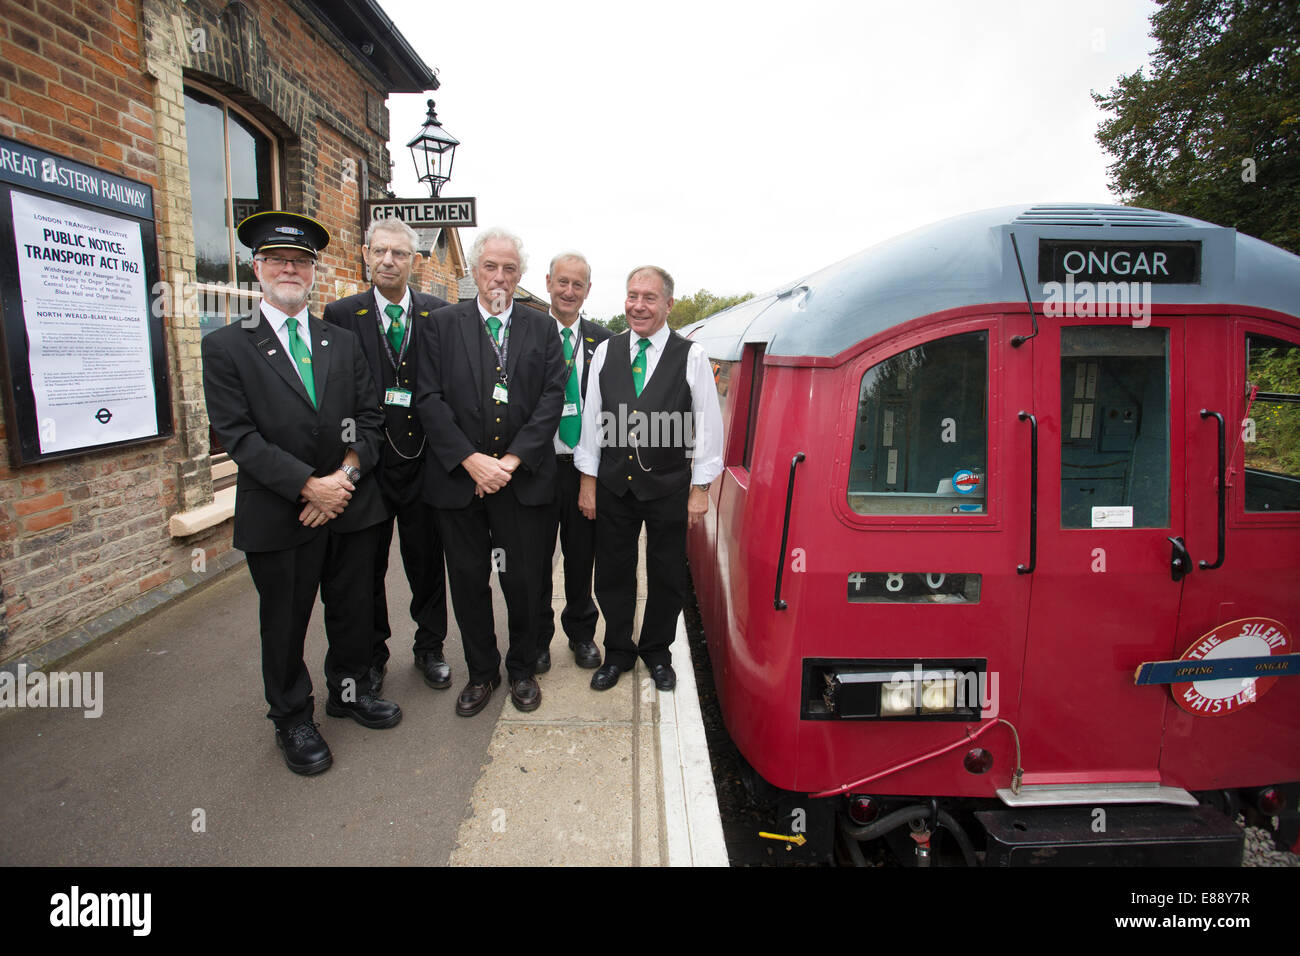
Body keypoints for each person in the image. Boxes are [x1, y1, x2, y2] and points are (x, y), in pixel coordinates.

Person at [201, 211, 400, 776]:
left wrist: (343, 479)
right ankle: (292, 716)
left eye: (301, 261)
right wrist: (308, 486)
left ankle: (349, 690)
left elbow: (370, 415)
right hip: (280, 512)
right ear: (257, 267)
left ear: (314, 271)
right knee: (286, 621)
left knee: (353, 608)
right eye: (278, 260)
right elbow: (239, 436)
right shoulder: (227, 346)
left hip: (351, 503)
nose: (290, 269)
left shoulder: (341, 340)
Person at [415, 227, 565, 716]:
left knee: (523, 582)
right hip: (461, 482)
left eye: (509, 269)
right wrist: (470, 459)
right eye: (490, 266)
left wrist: (512, 460)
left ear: (520, 276)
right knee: (468, 581)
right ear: (474, 270)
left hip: (520, 482)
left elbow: (551, 399)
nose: (499, 276)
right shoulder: (440, 324)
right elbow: (429, 399)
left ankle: (522, 669)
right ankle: (482, 672)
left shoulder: (541, 328)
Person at [575, 265, 723, 691]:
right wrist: (588, 483)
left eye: (649, 297)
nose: (638, 305)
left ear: (668, 304)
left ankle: (657, 652)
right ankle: (618, 652)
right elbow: (591, 423)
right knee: (614, 573)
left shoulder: (691, 356)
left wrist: (700, 490)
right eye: (632, 295)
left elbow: (708, 428)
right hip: (615, 487)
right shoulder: (606, 351)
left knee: (666, 574)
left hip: (668, 488)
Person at [324, 219, 452, 694]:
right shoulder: (340, 315)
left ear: (414, 262)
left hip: (423, 462)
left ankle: (430, 647)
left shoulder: (438, 314)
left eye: (399, 254)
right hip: (368, 463)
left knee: (426, 562)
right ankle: (372, 655)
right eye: (380, 252)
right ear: (364, 253)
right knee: (366, 568)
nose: (388, 261)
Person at [535, 251, 610, 674]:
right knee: (536, 561)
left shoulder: (603, 341)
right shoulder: (527, 333)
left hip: (583, 470)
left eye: (577, 284)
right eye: (562, 282)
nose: (568, 291)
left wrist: (594, 475)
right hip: (538, 467)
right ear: (548, 283)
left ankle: (582, 633)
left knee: (582, 558)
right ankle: (539, 638)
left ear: (587, 290)